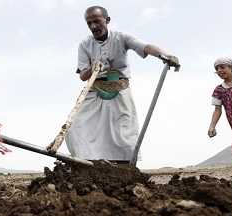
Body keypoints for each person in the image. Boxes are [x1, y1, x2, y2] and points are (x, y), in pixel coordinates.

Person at [64, 6, 179, 164]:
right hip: (94, 91)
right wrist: (93, 68)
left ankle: (125, 167)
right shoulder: (85, 44)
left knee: (123, 132)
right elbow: (83, 76)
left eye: (96, 21)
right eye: (89, 23)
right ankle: (87, 164)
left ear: (107, 20)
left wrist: (165, 55)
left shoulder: (121, 38)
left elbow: (145, 47)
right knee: (75, 128)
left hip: (119, 90)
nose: (93, 27)